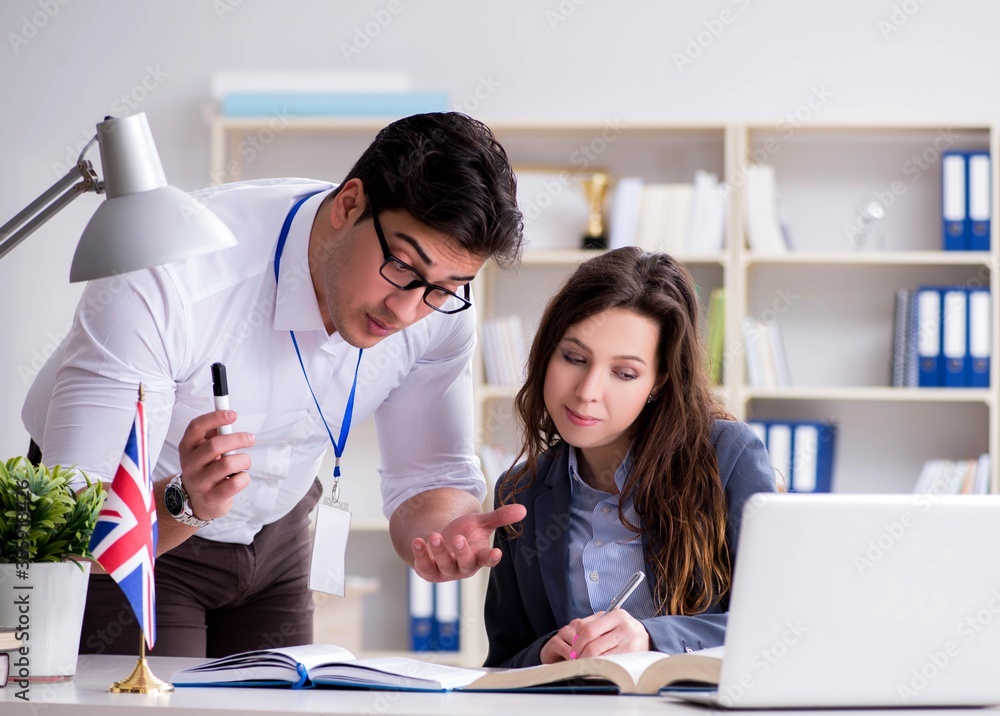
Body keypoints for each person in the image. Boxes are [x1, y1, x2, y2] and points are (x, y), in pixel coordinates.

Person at [22, 112, 528, 657]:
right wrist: (184, 504)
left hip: (280, 532)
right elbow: (70, 528)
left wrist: (443, 537)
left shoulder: (440, 307)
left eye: (445, 287)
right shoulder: (168, 275)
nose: (408, 310)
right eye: (402, 267)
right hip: (142, 529)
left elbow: (429, 478)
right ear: (349, 204)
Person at [483, 247, 778, 668]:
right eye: (574, 358)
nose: (587, 391)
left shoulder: (728, 456)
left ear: (659, 381)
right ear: (548, 351)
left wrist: (651, 636)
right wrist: (543, 654)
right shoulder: (520, 490)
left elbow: (777, 622)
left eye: (624, 373)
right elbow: (503, 663)